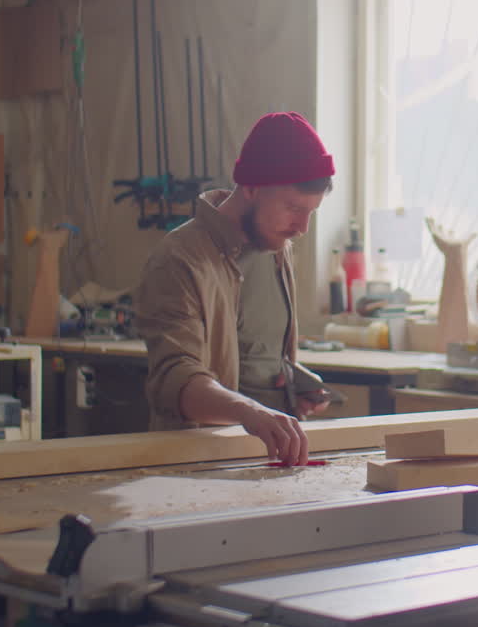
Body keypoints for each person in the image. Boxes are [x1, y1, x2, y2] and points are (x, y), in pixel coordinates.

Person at [134, 112, 333, 465]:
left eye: (311, 212)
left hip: (270, 459)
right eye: (292, 207)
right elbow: (175, 378)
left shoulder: (276, 245)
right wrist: (250, 411)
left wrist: (290, 386)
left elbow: (256, 354)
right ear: (251, 187)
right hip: (201, 462)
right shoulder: (179, 258)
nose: (302, 227)